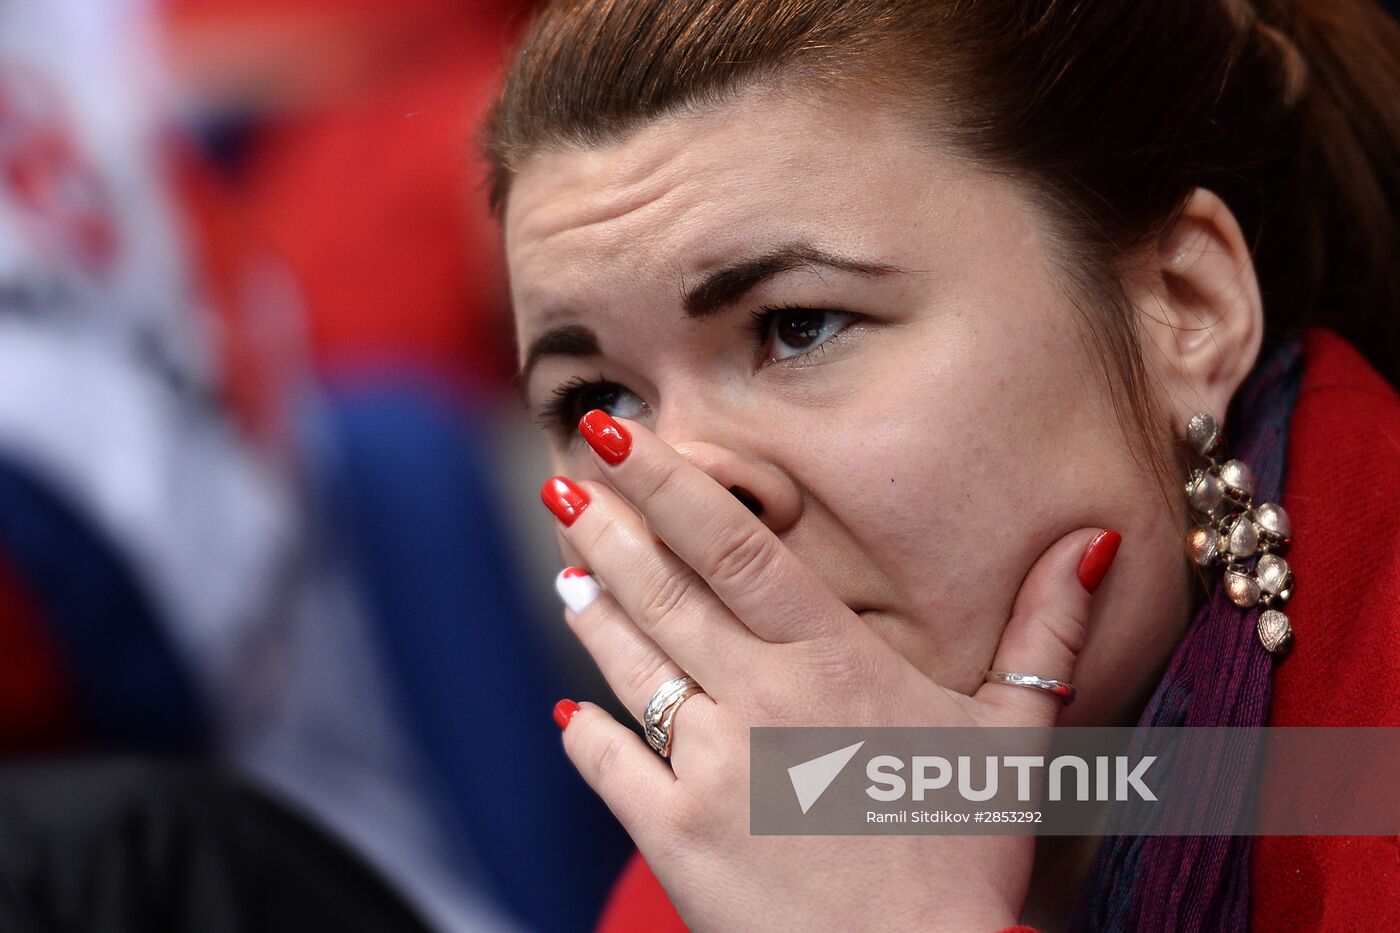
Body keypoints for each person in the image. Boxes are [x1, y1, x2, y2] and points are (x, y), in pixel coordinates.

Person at [482, 0, 1400, 931]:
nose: (679, 481)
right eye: (595, 403)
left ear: (1184, 308)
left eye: (799, 326)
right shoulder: (723, 868)